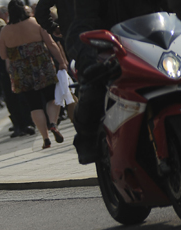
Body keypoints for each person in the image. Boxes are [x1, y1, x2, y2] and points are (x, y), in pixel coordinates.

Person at [65, 0, 169, 164]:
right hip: (114, 53)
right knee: (94, 90)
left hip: (157, 48)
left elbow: (177, 8)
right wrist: (89, 61)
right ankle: (89, 138)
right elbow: (82, 24)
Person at [0, 0, 67, 149]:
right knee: (51, 98)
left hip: (22, 71)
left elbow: (3, 55)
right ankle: (53, 124)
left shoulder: (5, 31)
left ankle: (45, 138)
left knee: (34, 105)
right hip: (42, 65)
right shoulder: (35, 23)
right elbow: (51, 44)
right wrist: (62, 62)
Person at [0, 18, 35, 138]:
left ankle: (29, 124)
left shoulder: (13, 40)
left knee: (23, 99)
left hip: (19, 74)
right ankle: (18, 126)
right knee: (11, 103)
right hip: (5, 77)